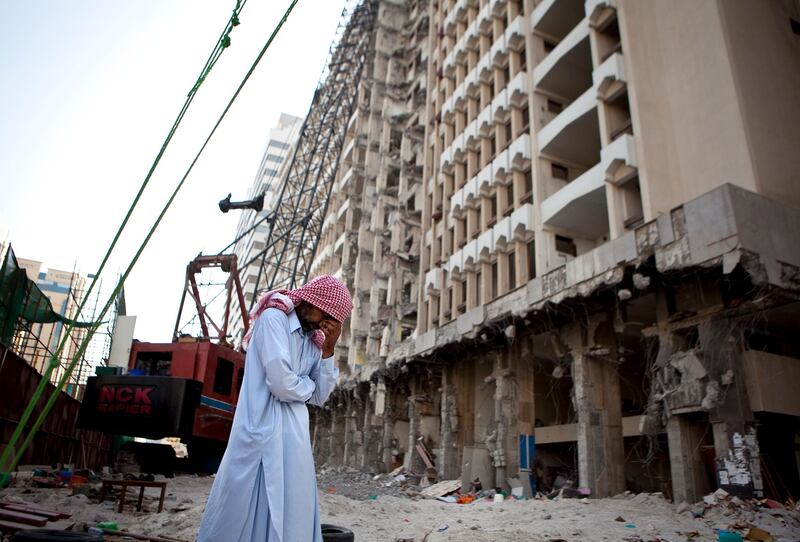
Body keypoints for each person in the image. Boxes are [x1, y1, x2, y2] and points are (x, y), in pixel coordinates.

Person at [198, 275, 353, 542]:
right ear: (311, 299)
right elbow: (281, 384)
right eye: (324, 315)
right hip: (261, 432)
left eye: (331, 322)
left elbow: (319, 396)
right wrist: (304, 385)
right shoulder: (273, 320)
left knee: (291, 513)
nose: (323, 324)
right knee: (244, 512)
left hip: (294, 443)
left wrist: (329, 350)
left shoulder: (313, 340)